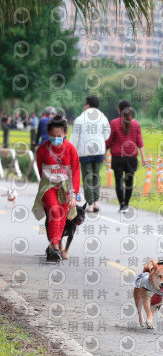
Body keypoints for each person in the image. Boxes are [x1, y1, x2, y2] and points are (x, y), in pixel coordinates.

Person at [32, 116, 80, 263]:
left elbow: (76, 172)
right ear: (48, 133)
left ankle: (54, 245)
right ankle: (54, 247)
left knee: (62, 216)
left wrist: (73, 194)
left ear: (65, 133)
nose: (56, 138)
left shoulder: (71, 149)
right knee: (54, 211)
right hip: (48, 186)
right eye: (53, 135)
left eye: (59, 135)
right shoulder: (42, 150)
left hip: (65, 187)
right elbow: (40, 170)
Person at [70, 95, 111, 213]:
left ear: (87, 105)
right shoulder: (103, 118)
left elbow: (74, 138)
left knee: (87, 177)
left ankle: (90, 204)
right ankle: (96, 202)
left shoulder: (80, 119)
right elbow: (107, 136)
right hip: (99, 151)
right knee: (95, 176)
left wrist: (72, 151)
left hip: (84, 152)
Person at [105, 105, 147, 213]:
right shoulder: (136, 124)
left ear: (119, 109)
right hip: (131, 157)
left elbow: (109, 141)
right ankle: (126, 204)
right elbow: (140, 142)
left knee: (118, 182)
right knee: (129, 182)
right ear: (130, 109)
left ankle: (122, 204)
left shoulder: (114, 123)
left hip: (117, 157)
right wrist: (143, 157)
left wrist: (104, 153)